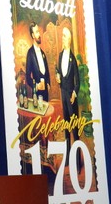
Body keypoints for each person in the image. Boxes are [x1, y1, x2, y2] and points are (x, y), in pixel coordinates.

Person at [55, 27, 81, 169]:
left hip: (71, 98)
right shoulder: (59, 55)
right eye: (62, 36)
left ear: (69, 39)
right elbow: (58, 71)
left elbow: (78, 80)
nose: (62, 38)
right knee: (66, 129)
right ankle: (67, 160)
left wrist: (74, 93)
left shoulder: (73, 59)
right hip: (63, 96)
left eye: (64, 36)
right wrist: (57, 76)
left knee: (75, 130)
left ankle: (77, 163)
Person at [26, 22, 50, 101]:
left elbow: (47, 71)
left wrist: (48, 83)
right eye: (36, 32)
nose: (39, 34)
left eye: (38, 31)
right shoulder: (30, 53)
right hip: (37, 94)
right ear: (33, 35)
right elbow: (28, 77)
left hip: (45, 92)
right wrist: (36, 86)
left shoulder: (42, 53)